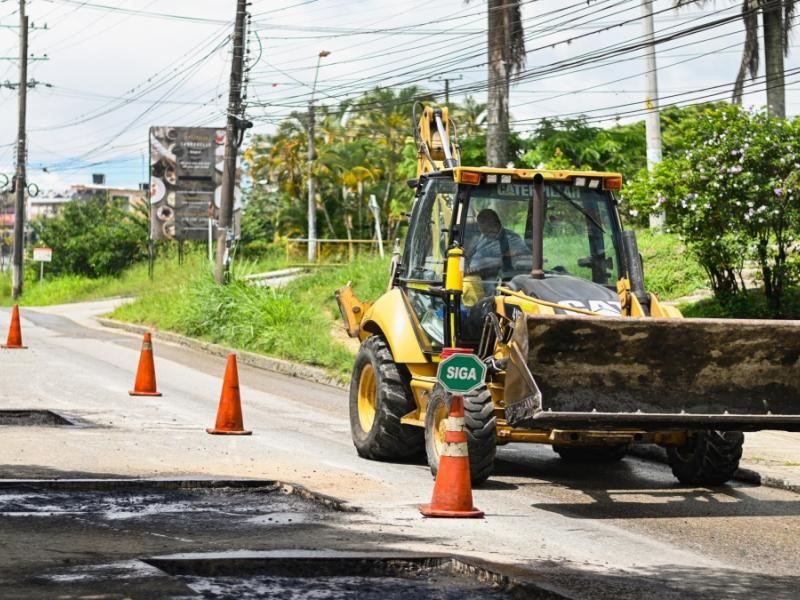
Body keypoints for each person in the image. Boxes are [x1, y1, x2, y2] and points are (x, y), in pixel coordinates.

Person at [465, 208, 531, 278]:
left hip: (495, 276)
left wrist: (513, 254)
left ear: (492, 223)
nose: (480, 229)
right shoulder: (481, 237)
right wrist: (469, 266)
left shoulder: (511, 238)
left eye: (481, 224)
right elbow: (469, 255)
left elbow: (526, 256)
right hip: (473, 275)